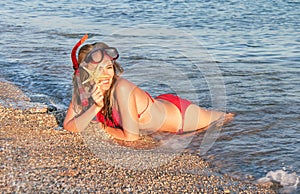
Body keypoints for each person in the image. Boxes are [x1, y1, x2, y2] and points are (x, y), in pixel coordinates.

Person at [63, 35, 234, 141]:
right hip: (157, 108)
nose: (107, 74)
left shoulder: (121, 88)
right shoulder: (83, 90)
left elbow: (131, 137)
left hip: (181, 117)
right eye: (99, 70)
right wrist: (96, 107)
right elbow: (69, 126)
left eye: (109, 67)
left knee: (224, 118)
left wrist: (102, 128)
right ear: (86, 74)